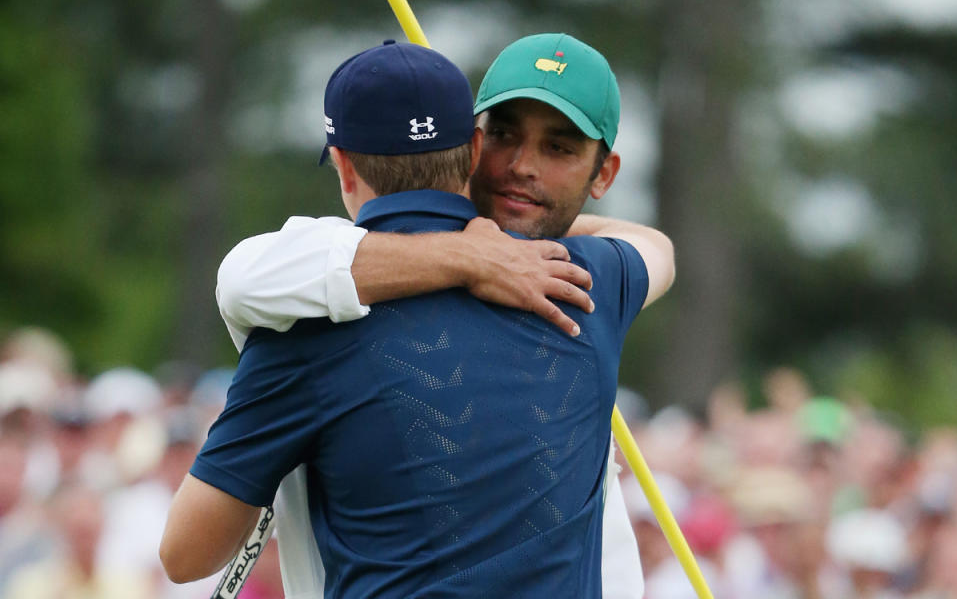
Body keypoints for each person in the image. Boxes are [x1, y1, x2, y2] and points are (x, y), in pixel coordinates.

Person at [161, 39, 670, 597]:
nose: (524, 168)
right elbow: (650, 245)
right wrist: (471, 253)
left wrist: (491, 246)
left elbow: (185, 556)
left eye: (559, 147)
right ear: (475, 148)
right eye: (505, 136)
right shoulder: (589, 283)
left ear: (342, 164)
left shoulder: (302, 324)